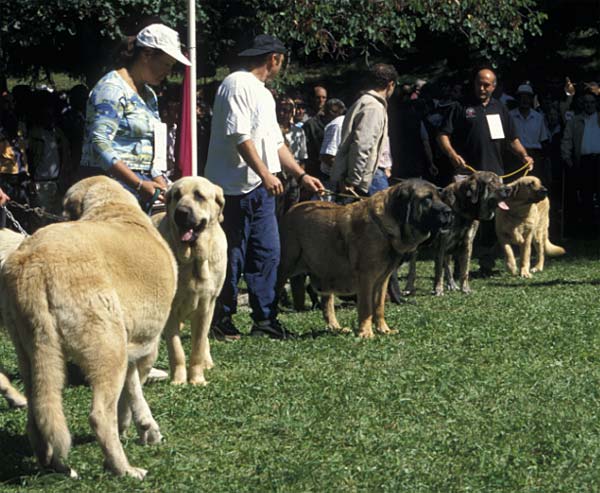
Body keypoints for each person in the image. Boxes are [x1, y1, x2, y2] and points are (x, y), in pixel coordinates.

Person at [205, 34, 323, 340]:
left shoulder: (265, 94)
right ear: (275, 58)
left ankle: (265, 320)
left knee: (268, 253)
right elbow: (239, 135)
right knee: (233, 255)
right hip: (234, 188)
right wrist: (265, 174)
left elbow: (276, 143)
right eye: (282, 60)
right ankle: (220, 320)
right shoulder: (236, 84)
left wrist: (299, 174)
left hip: (262, 189)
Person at [80, 23, 191, 210]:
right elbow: (99, 143)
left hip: (140, 186)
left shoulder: (149, 95)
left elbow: (151, 144)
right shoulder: (111, 88)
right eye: (166, 64)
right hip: (108, 188)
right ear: (147, 54)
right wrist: (137, 184)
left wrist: (159, 181)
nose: (168, 72)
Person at [437, 68, 533, 275]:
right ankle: (455, 265)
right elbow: (443, 135)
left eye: (487, 85)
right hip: (466, 175)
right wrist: (452, 155)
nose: (482, 88)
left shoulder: (500, 109)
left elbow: (512, 139)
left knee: (491, 221)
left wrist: (524, 155)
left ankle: (486, 263)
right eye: (479, 83)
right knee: (461, 218)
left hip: (493, 176)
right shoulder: (461, 106)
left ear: (494, 86)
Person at [330, 63, 398, 197]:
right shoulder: (373, 107)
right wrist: (353, 180)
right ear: (391, 84)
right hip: (364, 179)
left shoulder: (365, 102)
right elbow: (361, 145)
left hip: (360, 176)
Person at [561, 91, 600, 237]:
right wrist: (567, 158)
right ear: (582, 104)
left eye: (592, 102)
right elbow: (567, 140)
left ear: (596, 104)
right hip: (584, 162)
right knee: (586, 196)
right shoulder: (575, 121)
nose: (589, 105)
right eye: (586, 102)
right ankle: (589, 230)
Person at [509, 83, 550, 187]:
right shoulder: (510, 116)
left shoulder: (538, 117)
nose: (525, 100)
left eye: (527, 97)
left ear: (531, 99)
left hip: (534, 156)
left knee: (534, 188)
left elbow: (543, 139)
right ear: (517, 99)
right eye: (522, 97)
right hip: (515, 156)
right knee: (516, 186)